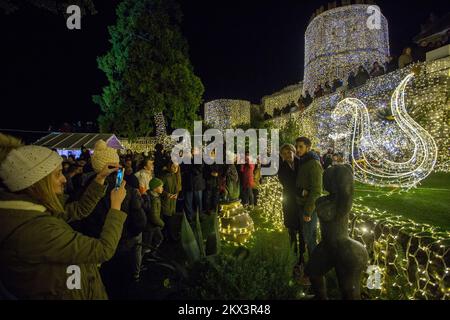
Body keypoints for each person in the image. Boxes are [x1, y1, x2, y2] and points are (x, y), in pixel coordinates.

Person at [0, 133, 127, 299]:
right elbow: (103, 249)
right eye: (57, 174)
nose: (64, 179)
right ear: (38, 181)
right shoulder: (36, 230)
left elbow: (79, 210)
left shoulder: (32, 210)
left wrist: (100, 178)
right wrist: (116, 207)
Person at [295, 137, 323, 260]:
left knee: (310, 238)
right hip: (301, 204)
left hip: (308, 208)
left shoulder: (313, 164)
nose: (297, 149)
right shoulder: (303, 161)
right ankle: (312, 264)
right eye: (296, 146)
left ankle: (315, 267)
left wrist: (308, 211)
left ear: (308, 147)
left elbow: (316, 190)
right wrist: (301, 192)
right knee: (307, 236)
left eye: (301, 146)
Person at [278, 144, 305, 269]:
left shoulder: (302, 163)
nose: (287, 155)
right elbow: (287, 184)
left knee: (303, 230)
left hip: (302, 202)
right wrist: (300, 191)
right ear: (282, 156)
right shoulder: (282, 167)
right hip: (289, 202)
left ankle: (303, 256)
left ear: (293, 152)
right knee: (292, 230)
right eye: (284, 153)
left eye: (289, 152)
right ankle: (294, 256)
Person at [181, 147, 205, 221]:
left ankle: (199, 216)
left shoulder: (199, 160)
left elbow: (198, 171)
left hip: (197, 185)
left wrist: (190, 164)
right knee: (188, 202)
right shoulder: (185, 160)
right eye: (192, 150)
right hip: (188, 184)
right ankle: (189, 217)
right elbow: (183, 169)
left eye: (194, 150)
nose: (193, 152)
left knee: (198, 202)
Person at [161, 160, 182, 241]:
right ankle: (170, 237)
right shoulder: (165, 176)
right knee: (168, 220)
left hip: (173, 202)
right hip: (166, 202)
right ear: (169, 166)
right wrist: (167, 194)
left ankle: (168, 236)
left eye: (176, 167)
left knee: (171, 219)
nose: (175, 168)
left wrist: (177, 194)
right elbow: (159, 188)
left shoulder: (177, 176)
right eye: (173, 166)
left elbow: (178, 188)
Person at [145, 178, 165, 253]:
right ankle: (147, 256)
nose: (162, 188)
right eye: (161, 186)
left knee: (158, 238)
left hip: (153, 225)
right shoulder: (153, 199)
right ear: (155, 188)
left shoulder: (153, 196)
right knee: (148, 243)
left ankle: (152, 252)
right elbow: (153, 216)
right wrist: (162, 224)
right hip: (151, 226)